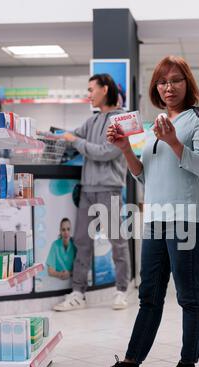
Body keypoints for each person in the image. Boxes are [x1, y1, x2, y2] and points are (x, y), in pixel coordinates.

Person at [89, 55, 199, 367]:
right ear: (155, 87)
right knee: (149, 296)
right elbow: (146, 177)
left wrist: (175, 141)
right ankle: (131, 364)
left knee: (188, 295)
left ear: (187, 83)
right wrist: (125, 149)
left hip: (188, 219)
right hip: (155, 220)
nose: (168, 87)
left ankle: (187, 363)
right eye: (162, 81)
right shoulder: (148, 127)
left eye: (175, 80)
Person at [53, 74, 130, 311]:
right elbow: (73, 136)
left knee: (117, 241)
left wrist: (75, 141)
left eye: (91, 89)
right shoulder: (92, 121)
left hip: (109, 189)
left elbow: (106, 152)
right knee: (82, 242)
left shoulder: (122, 120)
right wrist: (56, 136)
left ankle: (121, 291)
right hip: (88, 189)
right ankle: (78, 293)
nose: (89, 94)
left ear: (105, 89)